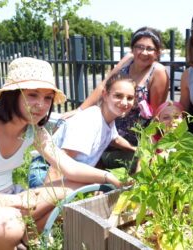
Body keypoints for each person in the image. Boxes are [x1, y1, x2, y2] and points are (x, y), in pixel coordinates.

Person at [0, 57, 121, 250]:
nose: (41, 105)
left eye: (47, 98)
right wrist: (16, 201)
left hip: (11, 201)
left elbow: (69, 167)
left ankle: (24, 239)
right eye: (32, 95)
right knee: (5, 225)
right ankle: (9, 238)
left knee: (74, 187)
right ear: (12, 95)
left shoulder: (32, 129)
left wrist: (108, 177)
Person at [62, 27, 169, 170]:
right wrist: (80, 110)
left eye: (150, 49)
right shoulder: (127, 60)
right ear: (132, 49)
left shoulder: (158, 72)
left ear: (157, 53)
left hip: (133, 141)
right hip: (108, 132)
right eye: (139, 47)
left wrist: (145, 150)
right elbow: (104, 85)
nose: (144, 52)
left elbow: (156, 116)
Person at [28, 73, 137, 188]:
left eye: (130, 98)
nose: (125, 102)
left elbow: (115, 139)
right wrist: (48, 198)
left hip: (72, 174)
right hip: (47, 172)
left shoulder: (108, 119)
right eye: (118, 96)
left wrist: (136, 149)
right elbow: (58, 166)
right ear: (105, 95)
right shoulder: (89, 122)